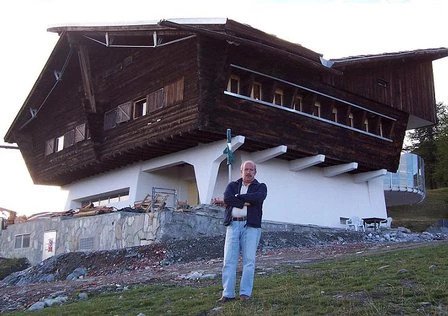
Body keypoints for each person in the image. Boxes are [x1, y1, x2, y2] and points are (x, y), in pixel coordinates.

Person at [218, 160, 267, 303]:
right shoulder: (232, 186)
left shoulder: (260, 187)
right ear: (241, 171)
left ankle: (245, 294)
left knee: (249, 261)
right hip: (233, 225)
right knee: (228, 260)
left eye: (252, 170)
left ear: (255, 172)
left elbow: (258, 198)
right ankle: (228, 294)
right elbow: (227, 198)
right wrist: (244, 201)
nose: (249, 172)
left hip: (250, 226)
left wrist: (237, 198)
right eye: (246, 169)